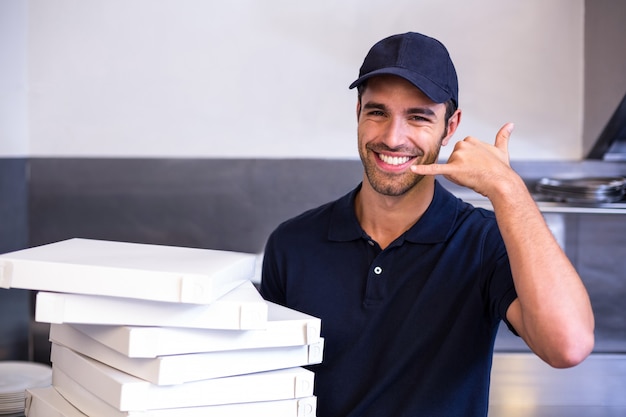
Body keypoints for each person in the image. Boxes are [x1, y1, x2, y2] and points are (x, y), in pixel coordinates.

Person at [260, 32, 594, 417]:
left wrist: (507, 189)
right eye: (377, 112)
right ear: (358, 113)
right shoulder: (292, 243)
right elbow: (271, 387)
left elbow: (567, 345)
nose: (392, 137)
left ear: (450, 127)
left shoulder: (485, 241)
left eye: (418, 117)